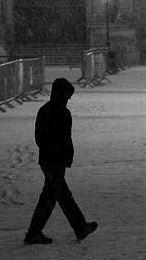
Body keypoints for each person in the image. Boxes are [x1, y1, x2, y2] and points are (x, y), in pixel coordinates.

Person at [25, 78, 97, 245]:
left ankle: (80, 226)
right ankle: (34, 231)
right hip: (55, 161)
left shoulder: (46, 111)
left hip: (49, 160)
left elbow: (40, 138)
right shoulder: (61, 114)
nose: (68, 100)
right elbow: (61, 139)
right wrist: (60, 155)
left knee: (62, 195)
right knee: (50, 196)